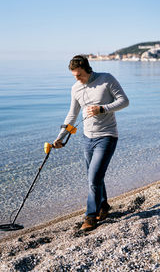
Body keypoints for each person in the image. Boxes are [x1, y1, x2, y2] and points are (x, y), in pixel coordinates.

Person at [53, 55, 129, 231]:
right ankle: (103, 206)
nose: (77, 79)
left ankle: (90, 216)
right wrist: (60, 137)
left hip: (107, 136)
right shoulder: (75, 88)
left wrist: (102, 108)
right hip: (87, 138)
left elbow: (124, 101)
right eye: (74, 76)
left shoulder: (106, 79)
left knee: (94, 178)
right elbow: (72, 115)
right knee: (94, 178)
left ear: (88, 69)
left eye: (79, 75)